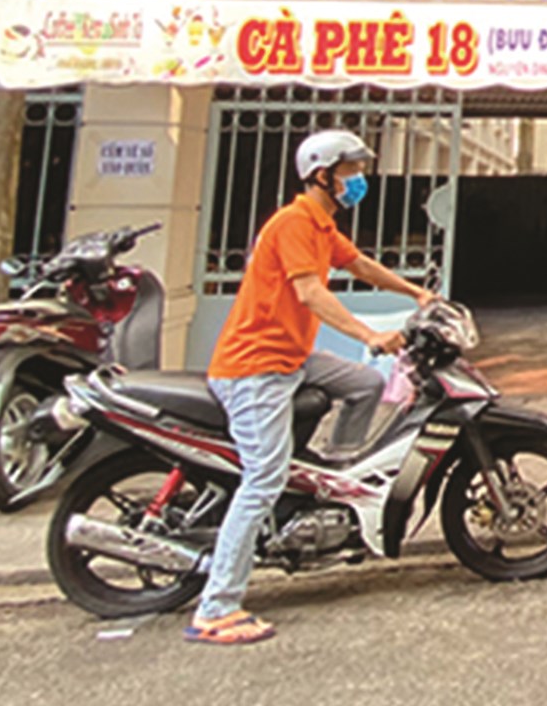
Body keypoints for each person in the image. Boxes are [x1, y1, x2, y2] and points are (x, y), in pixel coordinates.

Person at [184, 128, 433, 646]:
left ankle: (331, 480)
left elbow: (358, 264)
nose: (358, 180)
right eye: (350, 171)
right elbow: (311, 292)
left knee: (365, 383)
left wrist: (417, 293)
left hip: (292, 358)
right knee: (262, 481)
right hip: (256, 369)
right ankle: (216, 607)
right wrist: (368, 333)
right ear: (322, 175)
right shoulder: (294, 223)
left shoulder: (322, 226)